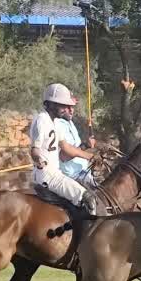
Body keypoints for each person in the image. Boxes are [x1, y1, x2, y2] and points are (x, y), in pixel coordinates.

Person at [29, 84, 98, 216]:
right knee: (88, 198)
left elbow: (66, 147)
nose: (66, 109)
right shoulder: (41, 120)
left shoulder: (54, 122)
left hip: (56, 174)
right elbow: (34, 150)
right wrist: (39, 160)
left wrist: (90, 156)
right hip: (48, 176)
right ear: (51, 104)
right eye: (62, 105)